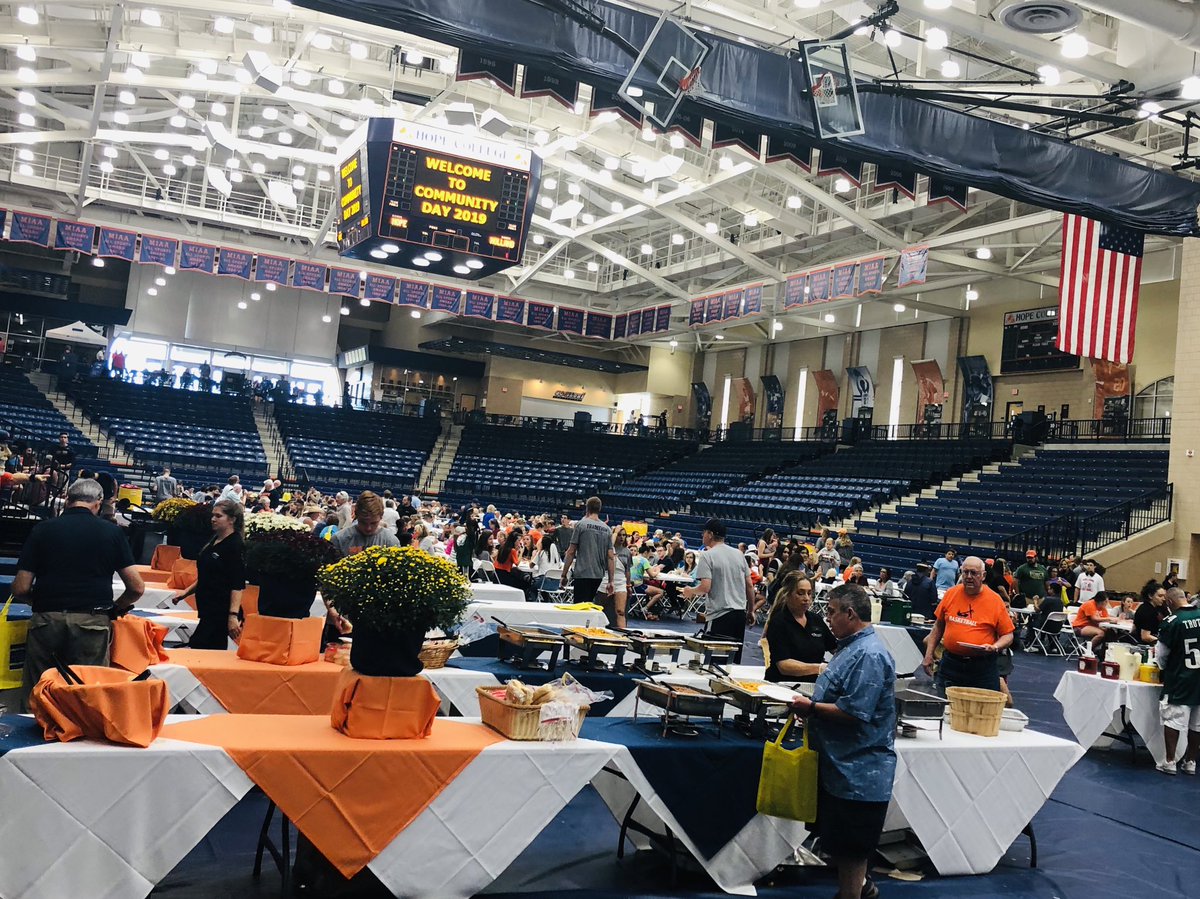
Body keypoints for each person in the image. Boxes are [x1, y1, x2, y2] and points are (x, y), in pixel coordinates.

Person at [790, 584, 896, 899]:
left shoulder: (869, 654)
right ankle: (857, 889)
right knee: (842, 848)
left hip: (859, 774)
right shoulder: (850, 647)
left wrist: (810, 708)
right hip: (841, 768)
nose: (828, 617)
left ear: (850, 614)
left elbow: (854, 712)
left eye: (832, 612)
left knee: (851, 852)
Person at [13, 479, 144, 708]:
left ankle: (34, 738)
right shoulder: (112, 533)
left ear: (68, 500)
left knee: (39, 692)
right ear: (98, 503)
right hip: (92, 620)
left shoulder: (43, 529)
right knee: (88, 693)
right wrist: (115, 609)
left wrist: (43, 602)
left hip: (47, 619)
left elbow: (21, 587)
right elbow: (136, 587)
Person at [922, 556, 1015, 693]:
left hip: (982, 667)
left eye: (974, 573)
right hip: (951, 664)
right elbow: (938, 626)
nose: (969, 577)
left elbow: (1008, 635)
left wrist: (995, 646)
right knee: (945, 706)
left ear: (983, 576)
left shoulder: (995, 601)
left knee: (983, 709)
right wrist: (929, 654)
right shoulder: (951, 594)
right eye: (965, 572)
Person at [170, 498, 246, 650]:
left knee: (200, 645)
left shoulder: (235, 545)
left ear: (232, 519)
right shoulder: (214, 540)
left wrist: (232, 615)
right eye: (213, 515)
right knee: (206, 646)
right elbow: (208, 575)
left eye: (218, 516)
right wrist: (186, 593)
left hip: (220, 609)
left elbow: (237, 583)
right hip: (207, 607)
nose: (213, 519)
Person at [680, 518, 755, 643]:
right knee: (731, 659)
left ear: (710, 534)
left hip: (720, 614)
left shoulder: (707, 555)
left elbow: (705, 587)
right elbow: (749, 586)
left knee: (714, 658)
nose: (702, 535)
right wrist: (751, 610)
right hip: (739, 614)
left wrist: (690, 591)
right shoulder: (739, 554)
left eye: (703, 532)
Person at [1155, 587, 1200, 775]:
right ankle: (1191, 762)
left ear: (1170, 603)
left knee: (1173, 719)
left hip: (1180, 677)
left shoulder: (1171, 621)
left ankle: (1170, 761)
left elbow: (1161, 655)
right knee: (1197, 723)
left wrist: (1163, 668)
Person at [763, 572, 835, 683]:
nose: (806, 598)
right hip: (782, 685)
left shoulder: (816, 620)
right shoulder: (778, 622)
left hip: (811, 685)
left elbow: (835, 648)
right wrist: (819, 668)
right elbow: (784, 666)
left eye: (809, 593)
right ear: (788, 595)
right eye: (800, 593)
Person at [560, 496, 615, 605]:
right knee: (589, 604)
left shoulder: (581, 524)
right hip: (598, 574)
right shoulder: (607, 529)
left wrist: (564, 574)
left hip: (583, 572)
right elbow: (610, 556)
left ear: (587, 508)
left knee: (579, 606)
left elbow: (571, 551)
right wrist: (611, 580)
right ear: (599, 509)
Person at [330, 491, 401, 556]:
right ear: (356, 515)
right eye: (363, 522)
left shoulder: (391, 541)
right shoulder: (339, 539)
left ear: (381, 517)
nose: (368, 528)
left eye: (373, 523)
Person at [598, 527, 633, 629]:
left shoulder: (627, 552)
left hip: (621, 581)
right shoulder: (607, 548)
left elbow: (627, 571)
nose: (621, 537)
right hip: (606, 579)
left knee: (621, 611)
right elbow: (610, 545)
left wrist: (628, 585)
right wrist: (615, 532)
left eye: (624, 535)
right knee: (599, 608)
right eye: (619, 535)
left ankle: (623, 635)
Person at [1072, 590, 1115, 655]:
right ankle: (1087, 650)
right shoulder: (1089, 604)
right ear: (1101, 601)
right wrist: (1109, 619)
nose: (1107, 603)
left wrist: (1114, 620)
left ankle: (1102, 651)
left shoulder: (1102, 608)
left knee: (1109, 632)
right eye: (1106, 601)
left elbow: (1106, 617)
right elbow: (1094, 619)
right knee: (1100, 633)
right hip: (1080, 626)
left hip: (1092, 626)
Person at [1133, 580, 1169, 644]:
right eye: (1160, 596)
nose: (1163, 599)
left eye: (1164, 596)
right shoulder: (1146, 610)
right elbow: (1145, 636)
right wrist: (1165, 642)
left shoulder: (1160, 608)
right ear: (1150, 596)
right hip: (1146, 645)